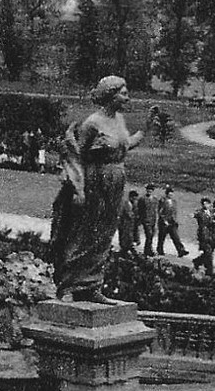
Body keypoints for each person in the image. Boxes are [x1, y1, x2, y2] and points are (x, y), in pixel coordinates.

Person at [49, 76, 154, 302]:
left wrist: (145, 128)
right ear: (110, 95)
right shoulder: (92, 123)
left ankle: (92, 285)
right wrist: (79, 190)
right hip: (96, 180)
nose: (127, 97)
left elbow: (125, 146)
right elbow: (75, 155)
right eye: (123, 93)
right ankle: (69, 284)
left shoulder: (119, 119)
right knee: (87, 231)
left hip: (116, 180)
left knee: (105, 233)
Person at [156, 185, 188, 257]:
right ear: (167, 194)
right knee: (162, 237)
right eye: (169, 193)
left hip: (172, 222)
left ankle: (181, 250)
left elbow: (174, 212)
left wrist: (175, 221)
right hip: (164, 222)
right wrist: (164, 220)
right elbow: (160, 212)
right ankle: (160, 250)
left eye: (172, 193)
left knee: (176, 237)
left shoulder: (174, 202)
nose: (171, 194)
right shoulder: (163, 200)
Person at [192, 198, 215, 276]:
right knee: (208, 252)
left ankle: (197, 261)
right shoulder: (200, 212)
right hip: (203, 234)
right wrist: (193, 215)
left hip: (211, 234)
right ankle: (209, 271)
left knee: (209, 252)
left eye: (207, 204)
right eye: (204, 204)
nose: (206, 205)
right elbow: (195, 214)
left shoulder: (212, 212)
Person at [134, 182, 156, 255]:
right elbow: (139, 210)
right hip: (145, 220)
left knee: (151, 235)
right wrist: (140, 219)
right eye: (148, 190)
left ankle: (148, 249)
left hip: (152, 220)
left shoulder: (154, 199)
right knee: (149, 235)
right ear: (146, 190)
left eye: (151, 190)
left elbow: (155, 210)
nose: (149, 191)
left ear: (153, 191)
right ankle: (148, 250)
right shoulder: (142, 199)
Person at [118, 189, 141, 254]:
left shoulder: (134, 204)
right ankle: (126, 249)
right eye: (134, 198)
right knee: (127, 236)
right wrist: (136, 217)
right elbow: (129, 214)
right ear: (131, 197)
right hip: (126, 223)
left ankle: (130, 248)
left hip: (131, 223)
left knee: (133, 236)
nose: (135, 199)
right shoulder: (127, 204)